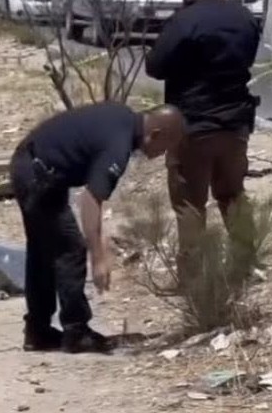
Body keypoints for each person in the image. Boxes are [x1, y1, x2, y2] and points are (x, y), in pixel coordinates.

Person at [10, 102, 185, 354]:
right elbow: (91, 200)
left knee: (43, 251)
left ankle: (38, 331)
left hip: (31, 164)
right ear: (155, 134)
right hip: (38, 175)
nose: (162, 153)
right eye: (165, 147)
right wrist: (98, 257)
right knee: (71, 249)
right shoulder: (119, 144)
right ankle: (76, 331)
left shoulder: (123, 118)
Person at [145, 0, 262, 279]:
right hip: (235, 126)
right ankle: (245, 265)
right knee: (233, 194)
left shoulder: (185, 21)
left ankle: (194, 279)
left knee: (189, 205)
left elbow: (154, 66)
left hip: (193, 128)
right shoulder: (243, 17)